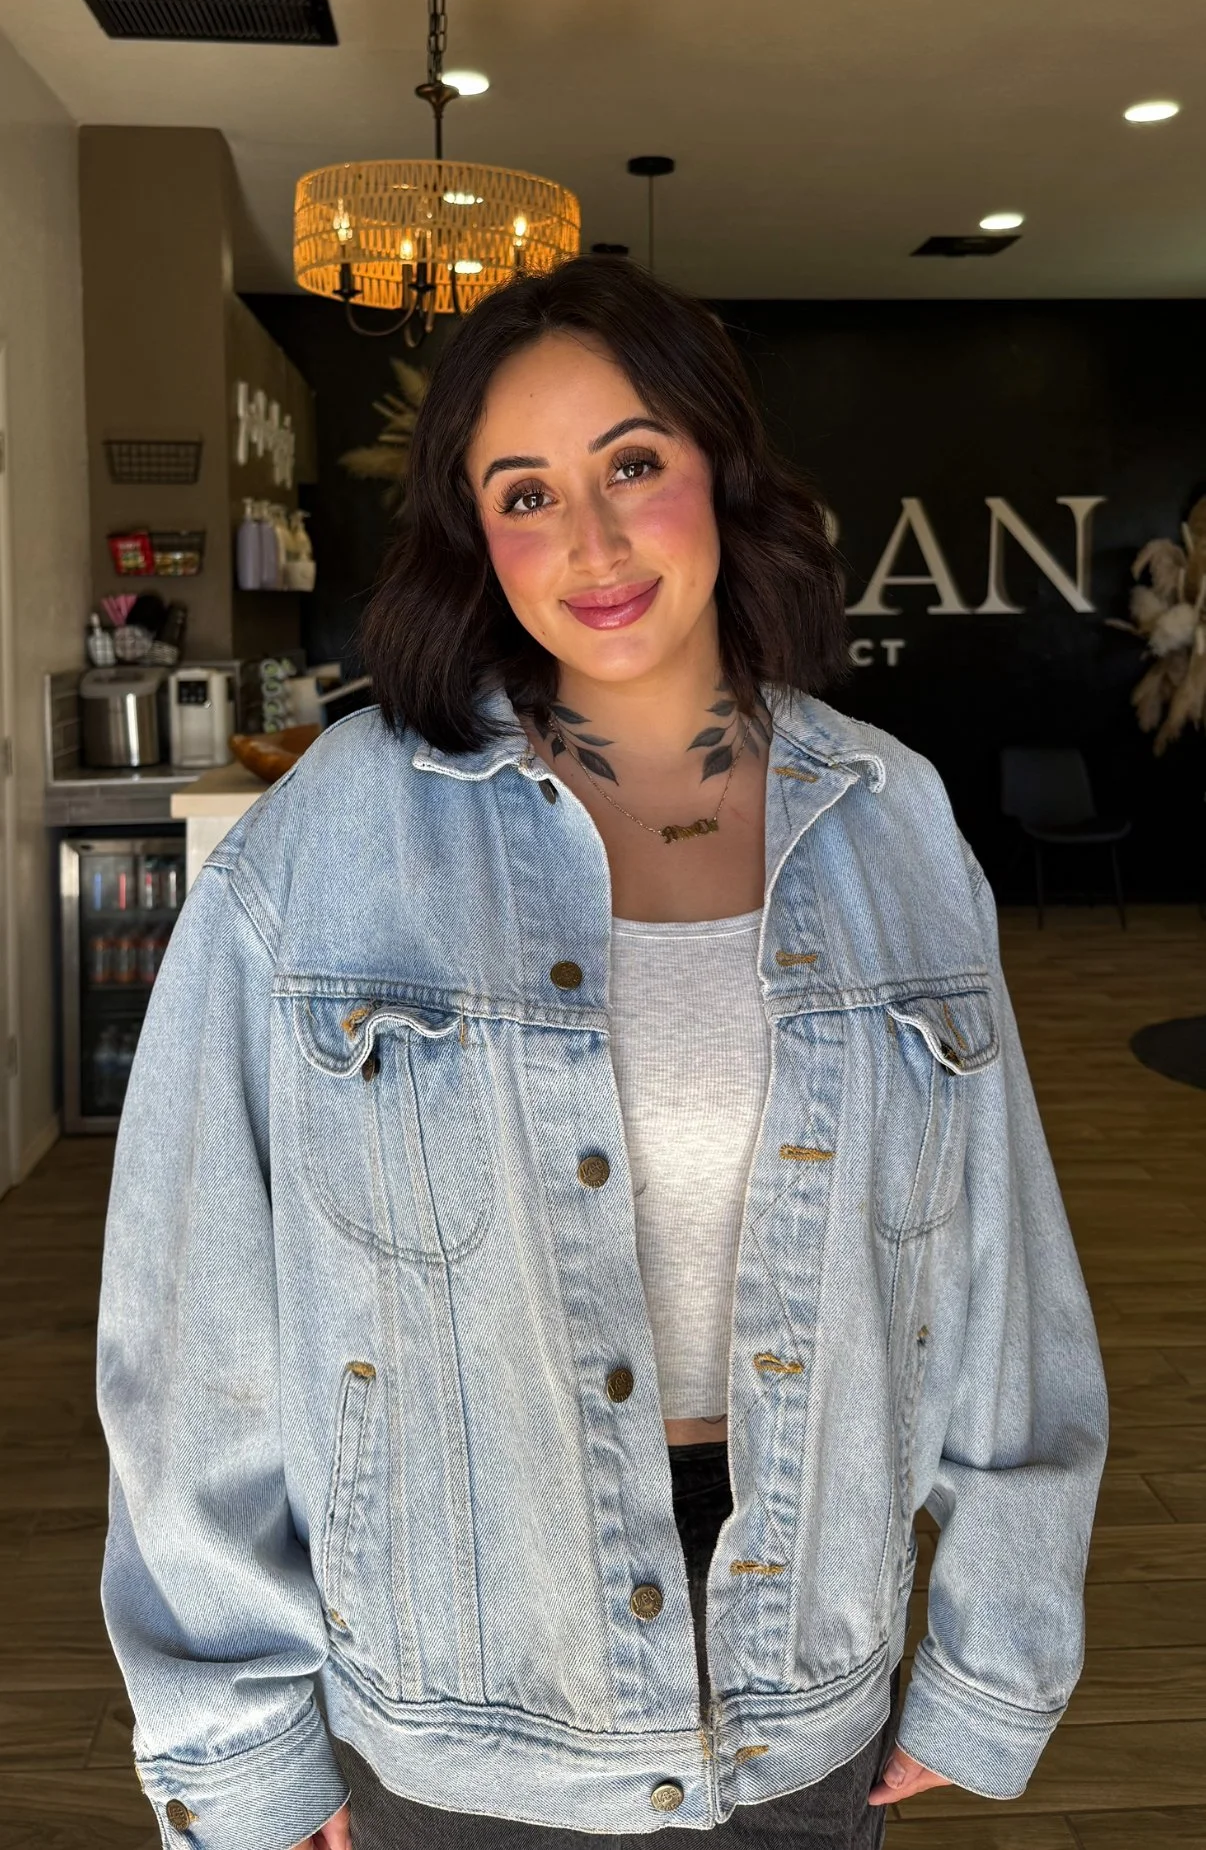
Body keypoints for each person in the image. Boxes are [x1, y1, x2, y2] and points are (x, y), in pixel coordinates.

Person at [96, 256, 1108, 1850]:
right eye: (525, 493)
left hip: (805, 1668)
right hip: (462, 1686)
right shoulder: (332, 841)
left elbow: (1002, 1283)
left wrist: (992, 1650)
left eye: (631, 462)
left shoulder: (891, 817)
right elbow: (192, 1324)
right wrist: (239, 1744)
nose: (590, 540)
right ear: (474, 535)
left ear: (719, 468)